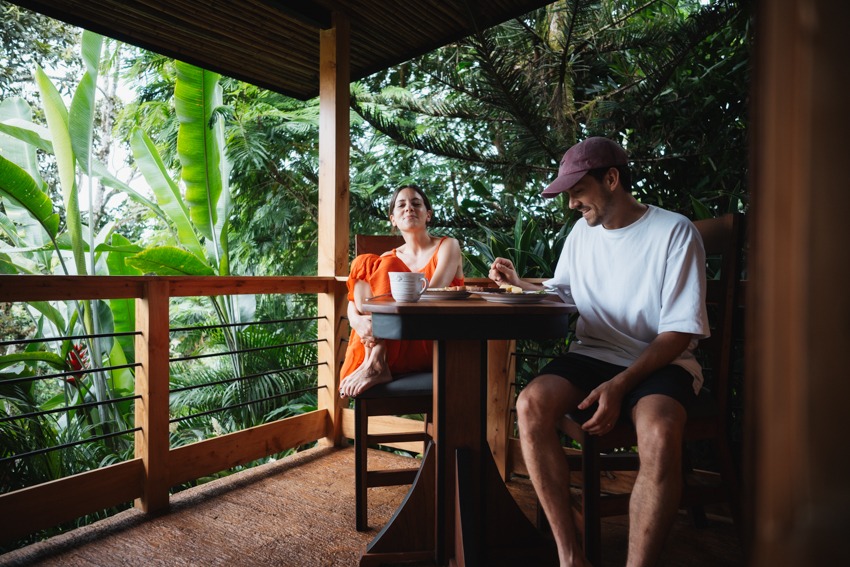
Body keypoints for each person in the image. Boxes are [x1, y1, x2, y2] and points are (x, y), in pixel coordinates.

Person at [489, 137, 709, 567]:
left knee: (661, 434)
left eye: (577, 192)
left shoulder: (674, 231)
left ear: (611, 179)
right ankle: (571, 556)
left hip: (660, 359)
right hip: (593, 354)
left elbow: (680, 333)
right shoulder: (582, 234)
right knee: (530, 404)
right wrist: (522, 282)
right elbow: (563, 289)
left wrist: (621, 383)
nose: (572, 204)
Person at [339, 184, 464, 398]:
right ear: (393, 220)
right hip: (391, 340)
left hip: (431, 338)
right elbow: (354, 302)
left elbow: (429, 294)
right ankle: (374, 360)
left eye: (416, 204)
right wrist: (357, 322)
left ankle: (377, 361)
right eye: (401, 205)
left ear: (428, 215)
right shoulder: (390, 256)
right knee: (363, 262)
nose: (409, 208)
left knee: (388, 266)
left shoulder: (448, 246)